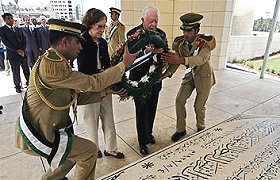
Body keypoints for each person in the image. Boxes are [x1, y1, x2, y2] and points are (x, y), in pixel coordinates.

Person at [15, 18, 137, 179]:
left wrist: (109, 92)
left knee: (70, 158)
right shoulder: (53, 66)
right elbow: (92, 83)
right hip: (38, 133)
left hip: (47, 128)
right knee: (89, 152)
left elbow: (72, 96)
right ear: (65, 41)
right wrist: (124, 65)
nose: (81, 47)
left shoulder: (55, 59)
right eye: (78, 42)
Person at [77, 8, 125, 159]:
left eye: (104, 26)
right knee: (91, 121)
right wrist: (101, 72)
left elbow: (108, 64)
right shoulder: (81, 41)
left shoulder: (103, 42)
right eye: (99, 26)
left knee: (108, 117)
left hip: (104, 84)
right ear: (89, 24)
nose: (102, 30)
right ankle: (94, 149)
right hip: (89, 87)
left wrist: (111, 80)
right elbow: (83, 69)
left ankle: (111, 148)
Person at [161, 13, 216, 142]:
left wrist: (181, 59)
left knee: (198, 105)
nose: (185, 34)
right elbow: (176, 62)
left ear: (197, 30)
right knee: (179, 100)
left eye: (189, 31)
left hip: (204, 76)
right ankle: (181, 129)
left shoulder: (205, 44)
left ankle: (201, 126)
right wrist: (166, 74)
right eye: (184, 30)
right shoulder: (181, 44)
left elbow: (200, 59)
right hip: (190, 75)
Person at [126, 6, 168, 155]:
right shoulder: (133, 34)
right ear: (142, 20)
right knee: (141, 111)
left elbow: (165, 53)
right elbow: (129, 57)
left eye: (156, 21)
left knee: (152, 109)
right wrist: (146, 52)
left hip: (155, 80)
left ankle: (148, 133)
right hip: (139, 80)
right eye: (151, 21)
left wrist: (165, 62)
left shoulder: (161, 34)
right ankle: (142, 142)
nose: (154, 25)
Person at [0, 13, 30, 93]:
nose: (11, 20)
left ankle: (29, 83)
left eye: (11, 18)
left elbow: (24, 40)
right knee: (16, 72)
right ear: (4, 20)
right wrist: (17, 51)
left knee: (26, 70)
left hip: (23, 53)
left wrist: (23, 50)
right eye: (8, 18)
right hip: (13, 54)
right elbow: (6, 43)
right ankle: (17, 86)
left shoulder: (18, 29)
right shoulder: (2, 30)